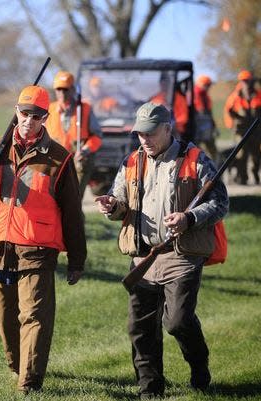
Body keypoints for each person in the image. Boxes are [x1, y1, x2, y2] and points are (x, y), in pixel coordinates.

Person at [95, 102, 229, 399]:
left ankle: (199, 365)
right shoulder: (131, 162)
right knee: (140, 328)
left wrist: (189, 218)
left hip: (182, 255)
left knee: (177, 321)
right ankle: (150, 388)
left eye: (151, 132)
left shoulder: (196, 159)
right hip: (143, 256)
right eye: (140, 133)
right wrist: (112, 206)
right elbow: (120, 202)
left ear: (168, 129)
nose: (144, 139)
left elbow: (220, 203)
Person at [0, 85, 87, 394]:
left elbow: (72, 213)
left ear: (45, 117)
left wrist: (77, 259)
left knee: (34, 317)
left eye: (36, 115)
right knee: (7, 322)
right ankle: (19, 368)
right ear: (16, 111)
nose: (29, 121)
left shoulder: (58, 158)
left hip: (37, 250)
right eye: (24, 113)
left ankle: (28, 385)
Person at [45, 70, 102, 199]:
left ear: (73, 89)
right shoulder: (49, 109)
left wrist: (85, 150)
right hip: (55, 161)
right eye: (58, 89)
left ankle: (75, 219)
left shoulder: (85, 108)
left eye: (65, 89)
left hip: (79, 161)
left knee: (73, 198)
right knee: (53, 197)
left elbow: (97, 136)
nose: (62, 93)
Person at [224, 70, 261, 185]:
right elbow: (228, 111)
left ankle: (255, 174)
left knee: (257, 155)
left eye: (247, 80)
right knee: (241, 155)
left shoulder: (259, 95)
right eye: (243, 81)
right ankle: (242, 178)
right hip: (241, 131)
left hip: (256, 131)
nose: (245, 83)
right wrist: (232, 125)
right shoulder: (235, 96)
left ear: (251, 81)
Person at [150, 72, 190, 141]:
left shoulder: (179, 98)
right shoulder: (155, 99)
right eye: (162, 82)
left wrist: (170, 126)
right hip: (156, 131)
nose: (164, 85)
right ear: (160, 84)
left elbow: (183, 118)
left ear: (170, 84)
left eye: (166, 82)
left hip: (174, 131)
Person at [194, 75, 219, 162]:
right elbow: (201, 111)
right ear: (201, 84)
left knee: (213, 151)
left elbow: (209, 112)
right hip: (197, 129)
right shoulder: (195, 94)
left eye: (209, 85)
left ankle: (215, 168)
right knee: (197, 151)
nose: (209, 87)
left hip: (206, 127)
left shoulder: (205, 96)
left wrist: (214, 127)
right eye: (207, 85)